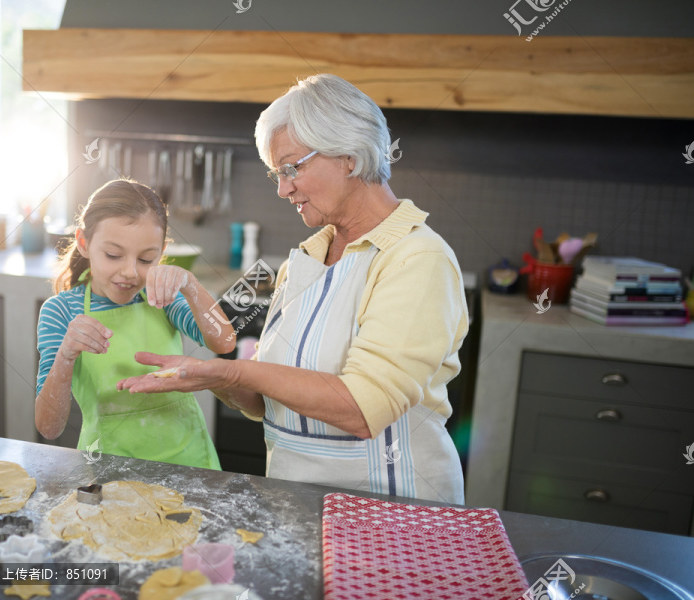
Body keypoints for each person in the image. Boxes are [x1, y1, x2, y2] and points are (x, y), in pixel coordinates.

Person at [118, 75, 469, 504]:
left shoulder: (417, 258)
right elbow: (265, 400)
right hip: (298, 503)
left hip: (391, 515)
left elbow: (363, 408)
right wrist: (205, 375)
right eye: (276, 174)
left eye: (290, 168)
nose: (283, 189)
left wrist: (231, 370)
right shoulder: (299, 261)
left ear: (349, 156)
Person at [35, 179, 235, 470]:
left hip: (190, 466)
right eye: (113, 255)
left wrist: (190, 285)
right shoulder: (62, 311)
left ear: (162, 251)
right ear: (84, 243)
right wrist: (66, 354)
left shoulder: (163, 298)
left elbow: (224, 342)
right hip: (107, 469)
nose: (130, 272)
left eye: (146, 259)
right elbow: (48, 427)